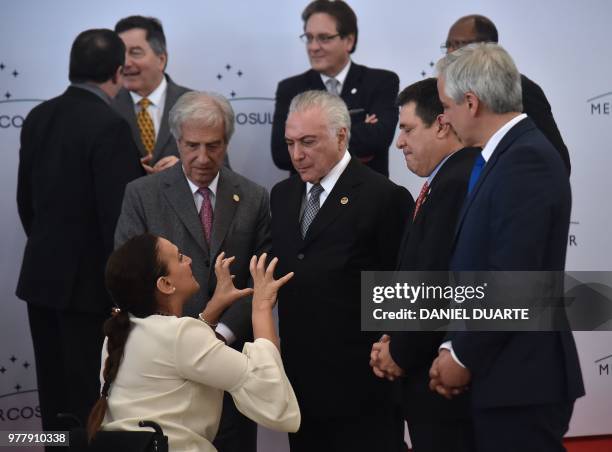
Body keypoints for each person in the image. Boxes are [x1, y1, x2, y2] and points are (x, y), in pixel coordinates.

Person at [431, 42, 584, 451]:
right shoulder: (504, 156)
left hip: (522, 380)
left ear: (471, 101)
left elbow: (514, 279)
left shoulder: (526, 159)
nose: (443, 119)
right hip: (502, 374)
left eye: (445, 106)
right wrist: (452, 345)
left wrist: (462, 356)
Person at [114, 90, 270, 452]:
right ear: (178, 141)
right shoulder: (141, 195)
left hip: (232, 365)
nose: (202, 158)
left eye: (213, 146)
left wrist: (222, 336)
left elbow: (259, 281)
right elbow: (128, 279)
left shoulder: (253, 196)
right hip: (163, 373)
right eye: (192, 145)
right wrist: (179, 342)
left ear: (227, 141)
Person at [16, 29, 144, 434]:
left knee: (53, 400)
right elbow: (118, 221)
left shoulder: (38, 116)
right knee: (91, 402)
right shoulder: (110, 126)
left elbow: (26, 203)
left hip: (40, 283)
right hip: (90, 292)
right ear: (118, 72)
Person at [271, 90, 413, 452]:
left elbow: (401, 289)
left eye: (308, 142)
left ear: (341, 136)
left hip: (363, 387)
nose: (296, 155)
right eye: (289, 143)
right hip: (301, 385)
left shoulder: (384, 197)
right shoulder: (283, 195)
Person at [87, 233, 300, 451]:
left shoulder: (119, 333)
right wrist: (262, 307)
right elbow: (266, 384)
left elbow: (177, 358)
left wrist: (212, 309)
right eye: (179, 257)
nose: (189, 259)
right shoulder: (180, 335)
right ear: (166, 283)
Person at [369, 78, 479, 452]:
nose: (399, 142)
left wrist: (399, 352)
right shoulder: (444, 180)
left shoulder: (455, 181)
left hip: (440, 379)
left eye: (407, 129)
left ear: (442, 124)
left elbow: (436, 283)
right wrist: (390, 338)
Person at [271, 0, 399, 177]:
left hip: (367, 196)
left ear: (349, 40)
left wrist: (313, 141)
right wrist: (359, 129)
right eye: (309, 38)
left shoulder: (381, 82)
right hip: (311, 197)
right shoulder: (291, 88)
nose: (313, 47)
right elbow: (281, 155)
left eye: (324, 38)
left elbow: (379, 138)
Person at [443, 14, 571, 174]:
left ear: (486, 47)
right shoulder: (453, 93)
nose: (449, 52)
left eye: (457, 45)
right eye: (447, 45)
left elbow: (556, 159)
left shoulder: (520, 88)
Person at [112, 16, 229, 174]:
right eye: (120, 54)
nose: (125, 62)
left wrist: (188, 168)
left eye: (135, 53)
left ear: (161, 59)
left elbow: (225, 174)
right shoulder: (106, 106)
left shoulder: (197, 105)